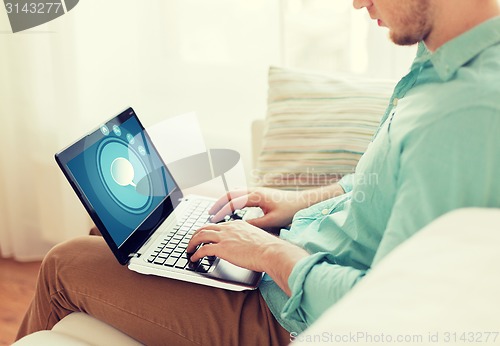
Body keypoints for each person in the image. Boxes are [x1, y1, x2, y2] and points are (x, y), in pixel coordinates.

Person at [17, 0, 500, 345]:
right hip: (291, 261)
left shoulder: (464, 111)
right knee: (125, 238)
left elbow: (395, 312)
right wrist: (296, 204)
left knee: (63, 264)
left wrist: (272, 254)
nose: (356, 4)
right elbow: (379, 187)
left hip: (286, 317)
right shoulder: (441, 61)